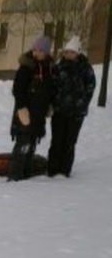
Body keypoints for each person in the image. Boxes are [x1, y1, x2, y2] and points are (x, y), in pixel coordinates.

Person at [7, 34, 56, 182]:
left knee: (31, 145)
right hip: (26, 114)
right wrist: (22, 108)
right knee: (23, 144)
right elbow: (18, 89)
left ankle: (26, 173)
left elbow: (51, 90)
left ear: (47, 52)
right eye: (35, 50)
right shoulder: (26, 67)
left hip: (39, 114)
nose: (37, 53)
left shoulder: (49, 69)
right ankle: (15, 176)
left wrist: (50, 105)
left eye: (41, 51)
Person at [47, 34, 96, 177]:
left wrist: (83, 103)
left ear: (78, 53)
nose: (69, 54)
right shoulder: (58, 67)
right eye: (67, 52)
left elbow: (90, 87)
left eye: (72, 52)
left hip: (76, 113)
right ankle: (52, 169)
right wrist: (52, 103)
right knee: (57, 141)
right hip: (59, 111)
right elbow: (52, 87)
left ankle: (64, 170)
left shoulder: (85, 68)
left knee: (70, 142)